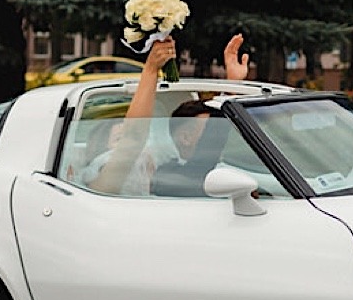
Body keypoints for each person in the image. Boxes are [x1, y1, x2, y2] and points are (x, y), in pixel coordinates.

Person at [86, 33, 251, 195]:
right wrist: (151, 69)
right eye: (118, 139)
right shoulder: (163, 174)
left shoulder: (183, 170)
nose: (218, 132)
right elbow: (134, 138)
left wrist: (232, 88)